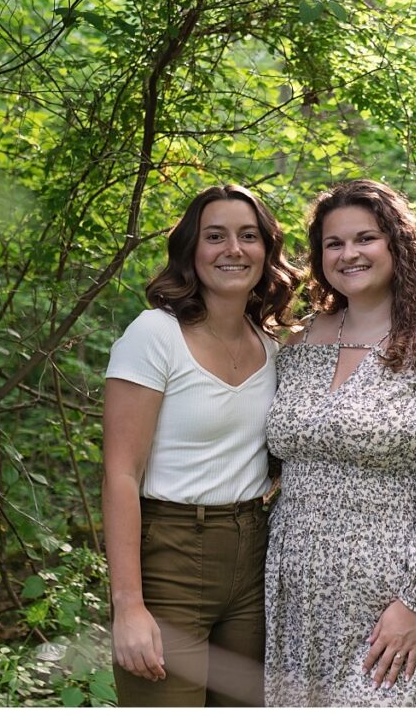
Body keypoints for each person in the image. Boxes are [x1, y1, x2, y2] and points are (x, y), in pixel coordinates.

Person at [262, 179, 416, 706]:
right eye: (333, 243)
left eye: (365, 238)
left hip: (405, 604)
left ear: (397, 244)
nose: (349, 253)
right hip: (306, 600)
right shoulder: (300, 343)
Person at [103, 185, 301, 706]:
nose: (232, 249)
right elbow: (120, 473)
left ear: (267, 251)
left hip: (255, 554)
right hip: (170, 555)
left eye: (248, 236)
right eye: (215, 236)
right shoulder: (155, 334)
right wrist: (128, 606)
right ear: (192, 249)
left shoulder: (273, 345)